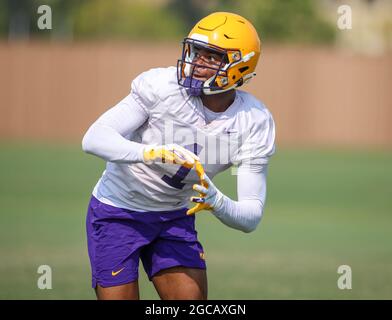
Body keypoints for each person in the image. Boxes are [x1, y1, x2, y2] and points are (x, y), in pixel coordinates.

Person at [82, 11, 275, 300]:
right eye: (196, 51)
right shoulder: (162, 88)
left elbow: (251, 216)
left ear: (240, 66)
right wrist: (149, 153)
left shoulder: (253, 121)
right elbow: (94, 138)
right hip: (118, 211)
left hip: (174, 217)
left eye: (211, 57)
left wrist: (217, 202)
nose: (197, 62)